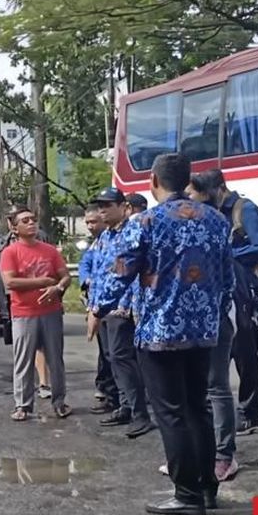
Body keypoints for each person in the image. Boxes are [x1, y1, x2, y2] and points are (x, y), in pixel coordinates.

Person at [97, 153, 233, 515]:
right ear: (187, 180)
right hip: (203, 330)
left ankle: (185, 493)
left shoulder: (146, 221)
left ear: (154, 180)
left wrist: (97, 306)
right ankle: (206, 489)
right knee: (198, 408)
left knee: (171, 413)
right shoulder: (216, 221)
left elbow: (121, 270)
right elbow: (226, 277)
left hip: (160, 332)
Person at [187, 168, 258, 436]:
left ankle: (250, 412)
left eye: (196, 192)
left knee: (245, 352)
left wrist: (226, 253)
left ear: (216, 188)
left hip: (244, 291)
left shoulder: (244, 210)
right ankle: (222, 408)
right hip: (219, 292)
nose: (192, 198)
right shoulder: (209, 214)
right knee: (221, 352)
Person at [88, 188, 155, 439]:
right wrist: (93, 307)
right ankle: (125, 406)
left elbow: (128, 273)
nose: (102, 210)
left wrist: (123, 306)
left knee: (122, 359)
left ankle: (140, 413)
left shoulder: (131, 232)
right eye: (100, 206)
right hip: (102, 307)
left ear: (122, 207)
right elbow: (98, 273)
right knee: (111, 359)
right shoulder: (105, 236)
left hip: (120, 308)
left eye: (107, 205)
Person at [0, 207, 71, 421]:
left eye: (33, 219)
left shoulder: (50, 251)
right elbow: (10, 282)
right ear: (15, 228)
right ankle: (22, 404)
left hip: (51, 311)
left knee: (55, 359)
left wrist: (57, 288)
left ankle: (59, 402)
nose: (31, 223)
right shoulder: (10, 252)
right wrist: (44, 282)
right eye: (25, 220)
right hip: (23, 313)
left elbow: (65, 277)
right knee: (23, 359)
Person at [0, 208, 51, 396]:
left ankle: (44, 384)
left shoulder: (40, 238)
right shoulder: (3, 246)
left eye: (30, 219)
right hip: (11, 301)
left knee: (41, 344)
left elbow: (53, 270)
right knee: (21, 345)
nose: (29, 223)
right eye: (11, 219)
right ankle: (23, 392)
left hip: (39, 299)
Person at [78, 206, 119, 415]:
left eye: (93, 222)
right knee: (106, 352)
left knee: (116, 354)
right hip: (97, 304)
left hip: (115, 307)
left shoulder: (117, 238)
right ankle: (107, 390)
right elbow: (85, 264)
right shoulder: (96, 243)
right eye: (87, 223)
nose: (90, 226)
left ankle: (119, 396)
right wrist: (86, 280)